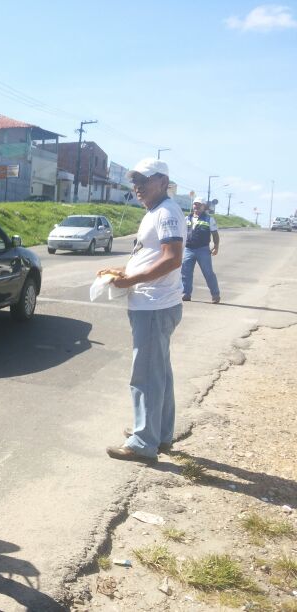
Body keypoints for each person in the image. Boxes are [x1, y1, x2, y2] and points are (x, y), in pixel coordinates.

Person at [98, 158, 185, 464]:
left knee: (146, 374)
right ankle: (157, 434)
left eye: (144, 181)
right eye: (134, 182)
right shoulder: (157, 211)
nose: (138, 187)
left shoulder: (166, 212)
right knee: (159, 371)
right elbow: (151, 256)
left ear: (163, 181)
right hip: (154, 303)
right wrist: (125, 272)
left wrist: (131, 279)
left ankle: (143, 442)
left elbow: (173, 258)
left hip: (154, 305)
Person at [181, 197, 220, 303]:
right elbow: (182, 234)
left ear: (204, 207)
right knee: (185, 272)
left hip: (203, 249)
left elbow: (215, 234)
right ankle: (186, 293)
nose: (196, 206)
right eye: (195, 204)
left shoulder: (209, 219)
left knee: (208, 273)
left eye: (199, 204)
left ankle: (215, 295)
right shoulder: (186, 219)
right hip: (188, 249)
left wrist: (216, 246)